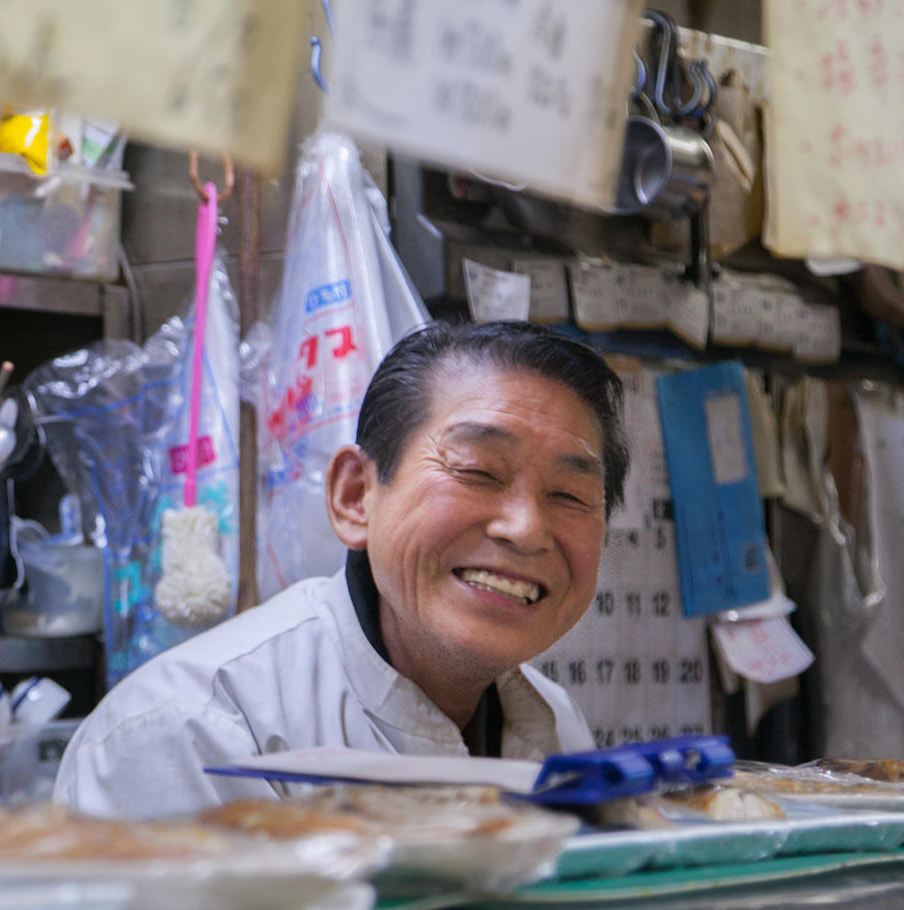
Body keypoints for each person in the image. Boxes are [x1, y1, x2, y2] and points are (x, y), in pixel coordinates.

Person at [55, 320, 628, 817]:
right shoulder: (192, 732)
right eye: (478, 471)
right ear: (356, 496)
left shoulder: (553, 724)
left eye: (570, 495)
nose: (526, 528)